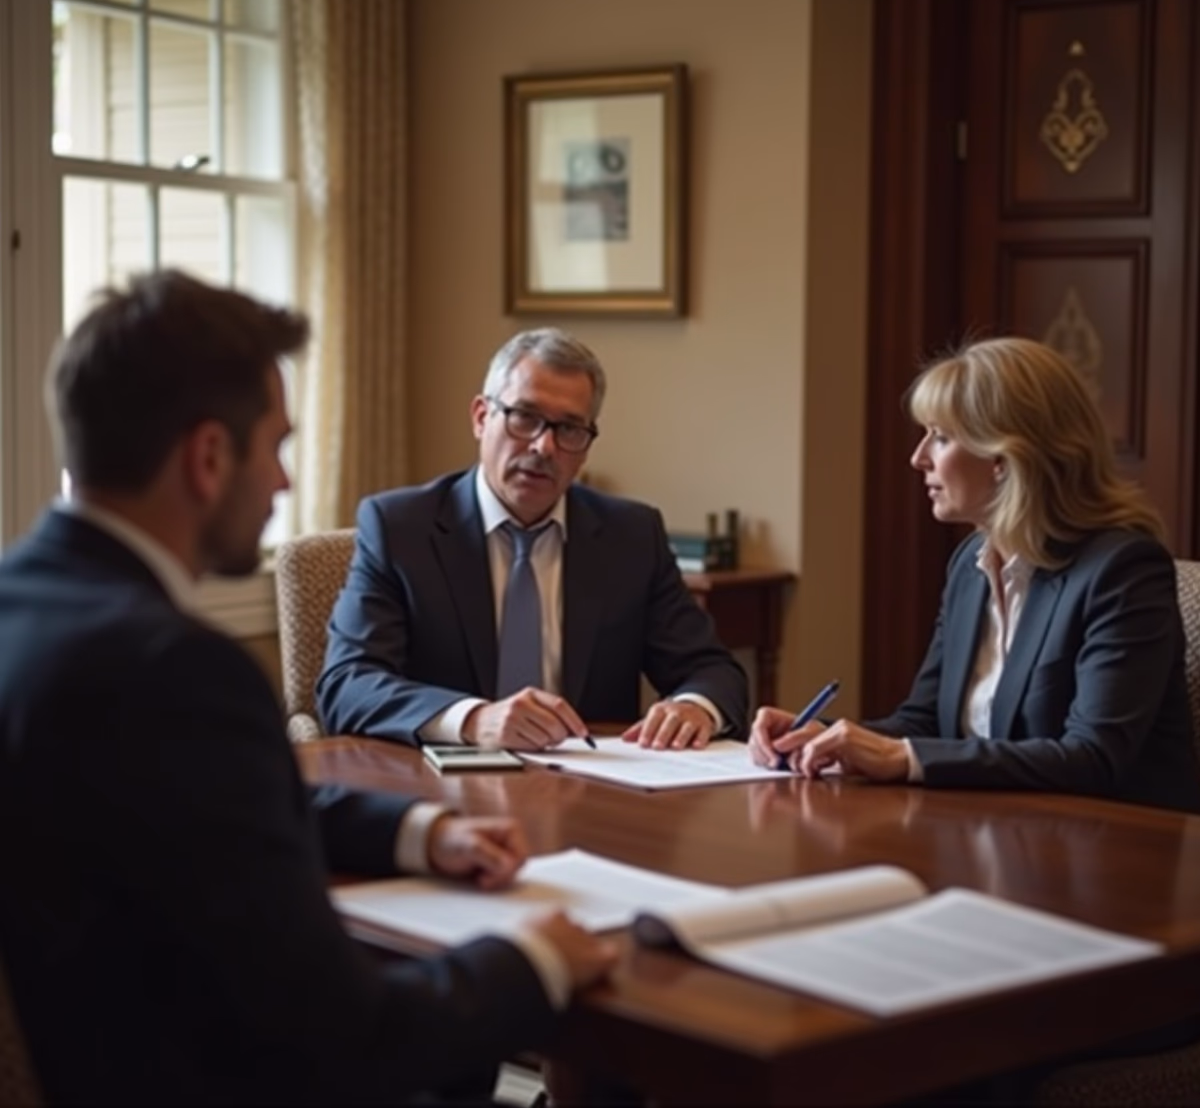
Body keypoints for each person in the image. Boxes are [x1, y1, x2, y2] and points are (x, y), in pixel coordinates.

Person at [0, 270, 617, 1105]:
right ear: (208, 457)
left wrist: (420, 832)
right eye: (276, 447)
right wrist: (535, 959)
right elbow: (346, 1037)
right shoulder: (178, 671)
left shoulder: (23, 612)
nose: (283, 483)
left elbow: (216, 798)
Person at [751, 336, 1200, 813]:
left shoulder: (1123, 572)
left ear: (1004, 459)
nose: (918, 457)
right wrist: (822, 736)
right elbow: (924, 722)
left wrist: (901, 757)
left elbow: (1093, 758)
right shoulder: (971, 563)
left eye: (941, 437)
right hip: (993, 828)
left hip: (1115, 843)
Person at [318, 328, 748, 752]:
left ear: (587, 445)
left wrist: (693, 707)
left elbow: (712, 670)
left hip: (591, 783)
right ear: (481, 417)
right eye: (524, 417)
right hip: (441, 781)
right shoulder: (400, 528)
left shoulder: (631, 536)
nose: (544, 446)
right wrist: (473, 719)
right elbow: (347, 684)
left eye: (570, 429)